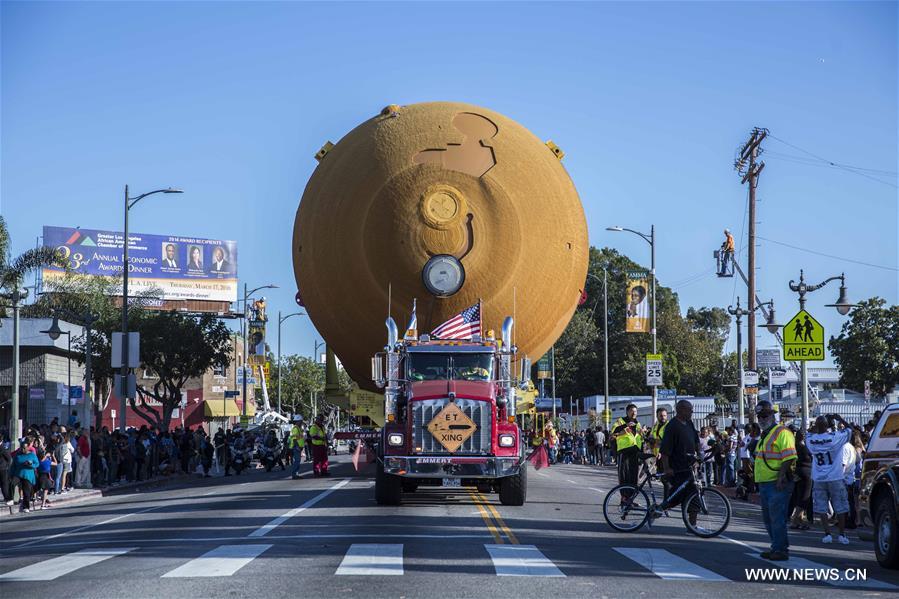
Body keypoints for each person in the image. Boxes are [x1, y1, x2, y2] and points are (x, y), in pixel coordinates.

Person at [754, 400, 797, 561]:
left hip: (777, 483)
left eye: (764, 415)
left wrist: (780, 477)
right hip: (765, 482)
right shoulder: (766, 434)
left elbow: (789, 457)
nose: (761, 419)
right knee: (768, 519)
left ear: (772, 415)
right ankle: (777, 547)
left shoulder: (782, 432)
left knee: (777, 518)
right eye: (759, 416)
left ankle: (780, 549)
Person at [808, 414, 854, 545]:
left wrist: (815, 427)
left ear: (817, 426)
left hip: (819, 478)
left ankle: (827, 534)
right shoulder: (835, 437)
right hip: (835, 477)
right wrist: (839, 419)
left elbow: (806, 434)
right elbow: (850, 429)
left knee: (822, 507)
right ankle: (842, 534)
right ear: (828, 426)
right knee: (840, 506)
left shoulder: (811, 439)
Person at [658, 399, 701, 520]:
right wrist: (667, 468)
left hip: (690, 467)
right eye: (689, 410)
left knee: (692, 495)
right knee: (679, 495)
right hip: (678, 467)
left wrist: (699, 457)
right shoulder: (672, 426)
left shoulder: (689, 424)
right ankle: (659, 509)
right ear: (680, 410)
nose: (692, 412)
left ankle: (692, 525)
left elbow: (696, 441)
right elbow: (665, 450)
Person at [611, 404, 643, 487]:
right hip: (624, 451)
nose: (634, 413)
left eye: (635, 411)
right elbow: (613, 432)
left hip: (635, 452)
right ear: (627, 412)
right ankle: (624, 496)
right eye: (632, 411)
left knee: (634, 476)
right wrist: (626, 425)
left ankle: (631, 496)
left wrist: (643, 435)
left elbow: (639, 438)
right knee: (624, 475)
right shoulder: (621, 421)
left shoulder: (638, 423)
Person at [789, 429, 813, 530]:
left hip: (798, 473)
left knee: (800, 496)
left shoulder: (794, 446)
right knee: (805, 497)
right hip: (806, 473)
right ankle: (795, 519)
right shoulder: (804, 447)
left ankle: (799, 520)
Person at [11, 438, 39, 513]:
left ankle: (26, 506)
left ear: (28, 447)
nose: (23, 449)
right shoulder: (17, 455)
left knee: (26, 492)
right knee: (11, 484)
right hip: (18, 474)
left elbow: (37, 464)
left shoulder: (32, 455)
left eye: (24, 448)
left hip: (28, 475)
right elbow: (13, 466)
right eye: (22, 448)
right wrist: (11, 474)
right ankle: (10, 499)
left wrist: (30, 464)